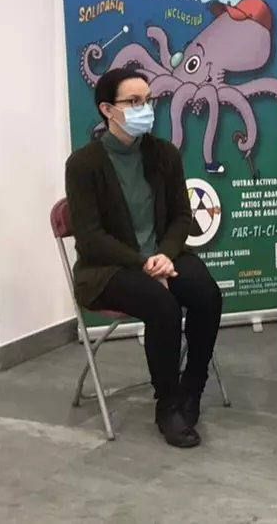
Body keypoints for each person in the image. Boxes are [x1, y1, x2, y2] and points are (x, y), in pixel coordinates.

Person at [64, 68, 223, 449]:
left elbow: (182, 216)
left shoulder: (163, 153)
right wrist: (144, 263)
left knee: (207, 295)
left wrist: (164, 255)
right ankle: (167, 404)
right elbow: (90, 237)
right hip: (109, 268)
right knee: (162, 306)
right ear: (107, 109)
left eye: (148, 100)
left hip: (164, 255)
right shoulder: (83, 164)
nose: (145, 108)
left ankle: (192, 387)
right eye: (133, 102)